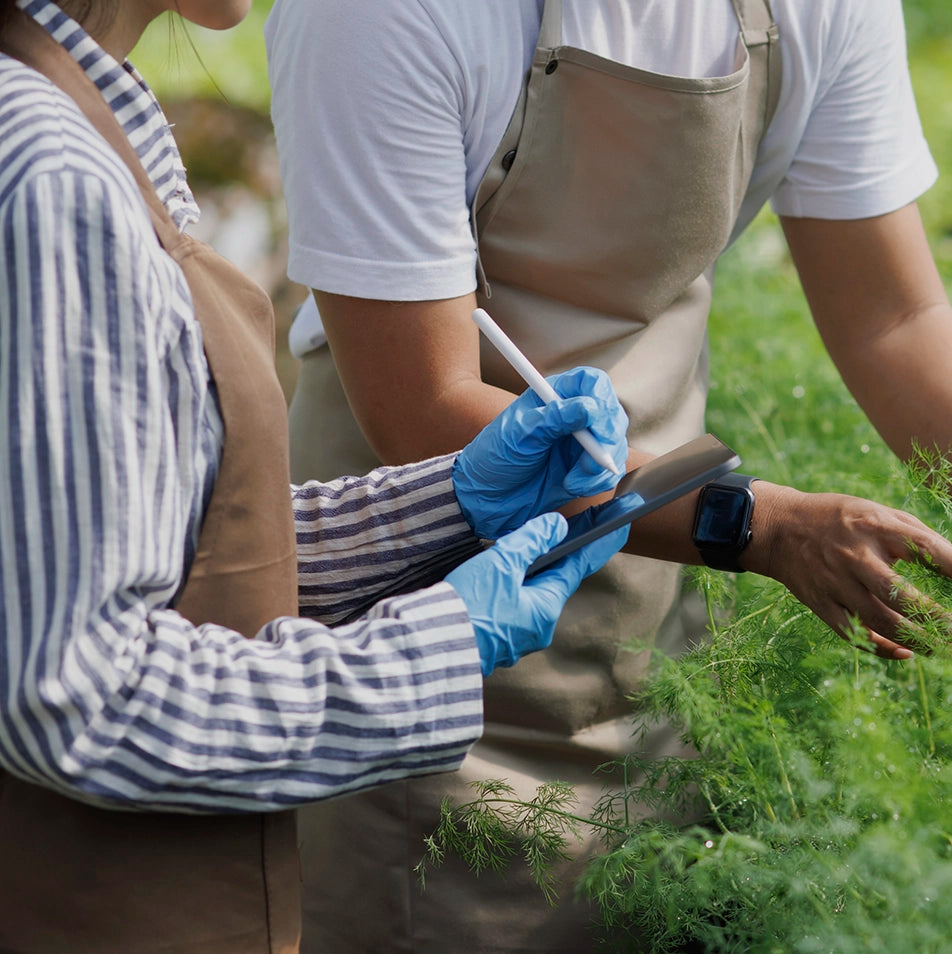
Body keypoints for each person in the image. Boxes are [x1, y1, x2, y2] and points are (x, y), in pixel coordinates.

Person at [265, 0, 952, 948]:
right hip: (416, 633)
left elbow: (894, 320)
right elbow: (426, 406)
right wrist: (757, 524)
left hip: (658, 627)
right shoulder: (381, 14)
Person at [0, 0, 637, 950]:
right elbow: (74, 694)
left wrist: (449, 503)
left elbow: (152, 546)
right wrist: (431, 649)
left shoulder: (81, 116)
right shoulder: (54, 176)